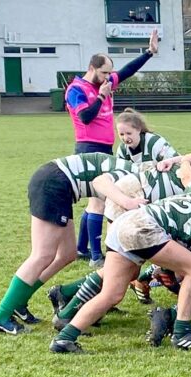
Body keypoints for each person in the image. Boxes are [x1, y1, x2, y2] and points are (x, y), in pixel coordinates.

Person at [49, 173, 191, 353]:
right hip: (143, 229)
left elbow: (189, 180)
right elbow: (186, 267)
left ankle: (65, 338)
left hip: (125, 223)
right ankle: (183, 332)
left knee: (111, 294)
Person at [0, 153, 144, 335]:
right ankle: (0, 317)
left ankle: (19, 302)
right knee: (42, 255)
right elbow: (104, 193)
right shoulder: (133, 181)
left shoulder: (137, 175)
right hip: (54, 182)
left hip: (58, 183)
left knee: (67, 254)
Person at [65, 30, 159, 269]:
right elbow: (85, 117)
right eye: (104, 73)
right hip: (88, 148)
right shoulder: (76, 89)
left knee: (94, 201)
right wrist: (100, 97)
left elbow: (126, 72)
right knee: (100, 200)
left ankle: (81, 248)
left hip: (104, 147)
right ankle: (96, 257)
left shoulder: (105, 83)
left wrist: (149, 53)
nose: (109, 78)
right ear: (92, 68)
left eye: (109, 73)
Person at [115, 108, 180, 169]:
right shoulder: (122, 149)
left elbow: (178, 161)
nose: (125, 138)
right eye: (121, 134)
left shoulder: (155, 142)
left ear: (138, 129)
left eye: (129, 133)